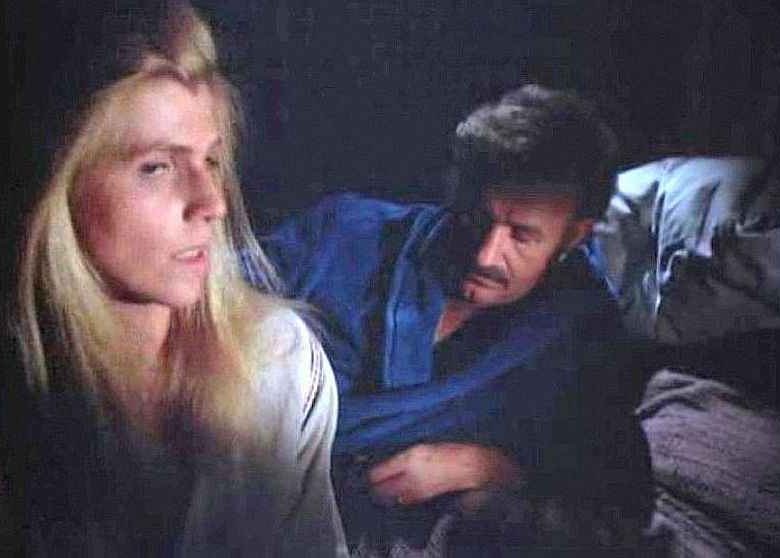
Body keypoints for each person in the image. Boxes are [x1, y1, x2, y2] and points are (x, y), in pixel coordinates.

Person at [0, 2, 347, 556]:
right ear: (58, 185)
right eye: (156, 166)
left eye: (211, 161)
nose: (212, 202)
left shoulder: (281, 366)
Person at [261, 85, 652, 555]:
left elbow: (614, 499)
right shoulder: (342, 234)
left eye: (522, 236)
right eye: (476, 219)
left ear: (573, 235)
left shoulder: (581, 334)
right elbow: (208, 301)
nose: (487, 254)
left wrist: (490, 468)